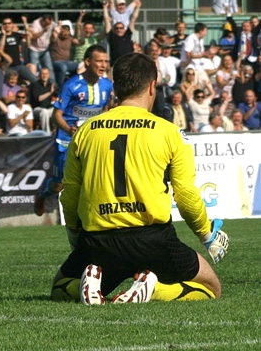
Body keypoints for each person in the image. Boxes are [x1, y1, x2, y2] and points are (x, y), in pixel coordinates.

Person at [51, 52, 229, 304]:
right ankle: (153, 288)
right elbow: (186, 194)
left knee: (59, 286)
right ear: (151, 85)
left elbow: (69, 194)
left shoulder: (85, 131)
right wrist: (206, 234)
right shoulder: (169, 132)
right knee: (211, 287)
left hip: (98, 240)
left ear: (116, 87)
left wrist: (74, 234)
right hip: (153, 239)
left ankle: (90, 286)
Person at [34, 45, 113, 217]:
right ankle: (42, 195)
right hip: (67, 139)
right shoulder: (72, 85)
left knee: (94, 177)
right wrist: (69, 129)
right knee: (58, 185)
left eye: (105, 61)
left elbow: (105, 109)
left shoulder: (107, 85)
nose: (103, 65)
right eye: (99, 61)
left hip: (91, 138)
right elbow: (57, 115)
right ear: (87, 61)